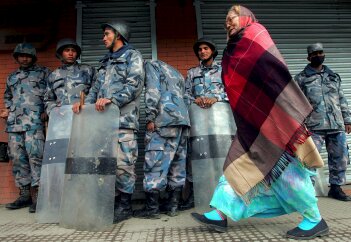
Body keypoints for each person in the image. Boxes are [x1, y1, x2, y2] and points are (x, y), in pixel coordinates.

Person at [191, 5, 330, 240]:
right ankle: (221, 213)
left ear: (245, 17)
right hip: (251, 122)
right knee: (237, 165)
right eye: (225, 19)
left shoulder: (256, 33)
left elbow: (273, 71)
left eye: (231, 17)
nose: (227, 22)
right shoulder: (232, 48)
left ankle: (315, 219)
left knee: (286, 173)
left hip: (274, 118)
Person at [72, 20, 144, 224]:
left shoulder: (133, 56)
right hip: (102, 123)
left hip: (123, 121)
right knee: (104, 164)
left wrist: (113, 100)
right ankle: (109, 202)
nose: (103, 38)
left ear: (118, 35)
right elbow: (95, 89)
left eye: (106, 34)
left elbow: (135, 85)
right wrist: (83, 105)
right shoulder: (104, 63)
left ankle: (125, 205)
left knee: (123, 164)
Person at [133, 60, 190, 219]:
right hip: (182, 121)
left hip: (164, 120)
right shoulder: (176, 71)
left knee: (155, 161)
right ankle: (173, 206)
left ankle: (152, 208)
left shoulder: (150, 65)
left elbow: (152, 90)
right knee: (178, 163)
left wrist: (150, 116)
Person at [294, 43, 351, 201]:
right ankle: (307, 191)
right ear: (309, 57)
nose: (318, 55)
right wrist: (299, 124)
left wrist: (347, 119)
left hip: (336, 123)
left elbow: (341, 98)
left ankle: (336, 188)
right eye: (315, 53)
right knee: (310, 159)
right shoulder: (301, 78)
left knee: (340, 157)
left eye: (321, 52)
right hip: (314, 125)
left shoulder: (333, 76)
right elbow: (296, 103)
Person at [2, 43, 50, 213]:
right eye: (21, 55)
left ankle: (38, 196)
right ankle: (24, 195)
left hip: (34, 124)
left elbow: (51, 94)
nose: (24, 58)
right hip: (14, 125)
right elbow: (7, 95)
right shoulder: (12, 76)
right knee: (17, 157)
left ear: (33, 57)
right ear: (16, 57)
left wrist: (46, 110)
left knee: (36, 157)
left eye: (27, 55)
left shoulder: (44, 73)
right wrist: (7, 109)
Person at [182, 37, 228, 210]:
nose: (202, 51)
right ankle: (195, 195)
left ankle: (223, 196)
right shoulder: (193, 72)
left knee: (222, 157)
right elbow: (185, 95)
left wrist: (217, 98)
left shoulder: (223, 70)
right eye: (200, 49)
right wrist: (196, 99)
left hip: (221, 124)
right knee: (197, 156)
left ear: (212, 51)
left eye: (206, 48)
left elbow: (232, 91)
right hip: (199, 123)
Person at [45, 38, 96, 115]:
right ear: (61, 53)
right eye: (67, 50)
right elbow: (48, 99)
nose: (70, 53)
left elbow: (97, 91)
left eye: (73, 51)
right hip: (62, 119)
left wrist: (85, 104)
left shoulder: (88, 70)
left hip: (85, 115)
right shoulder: (53, 75)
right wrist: (55, 111)